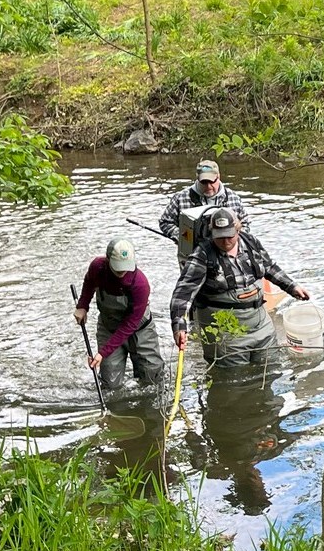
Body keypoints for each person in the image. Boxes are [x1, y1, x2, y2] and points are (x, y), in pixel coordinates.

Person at [170, 208, 309, 366]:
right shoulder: (202, 255)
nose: (225, 241)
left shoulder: (250, 242)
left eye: (230, 236)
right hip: (225, 334)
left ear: (238, 229)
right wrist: (179, 326)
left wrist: (292, 286)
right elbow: (182, 294)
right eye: (220, 237)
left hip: (260, 325)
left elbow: (269, 267)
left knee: (270, 369)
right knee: (233, 382)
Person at [74, 236, 166, 390]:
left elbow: (130, 325)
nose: (122, 271)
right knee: (110, 385)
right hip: (109, 327)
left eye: (125, 266)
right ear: (108, 260)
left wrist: (102, 353)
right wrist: (83, 305)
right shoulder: (97, 267)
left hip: (140, 329)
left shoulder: (140, 285)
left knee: (152, 380)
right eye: (117, 266)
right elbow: (89, 282)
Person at [159, 160, 253, 265]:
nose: (208, 186)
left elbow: (245, 225)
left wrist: (236, 233)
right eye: (204, 182)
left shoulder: (233, 198)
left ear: (219, 177)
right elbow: (165, 222)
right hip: (191, 256)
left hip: (226, 256)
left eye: (212, 181)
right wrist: (181, 236)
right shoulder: (180, 198)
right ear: (197, 178)